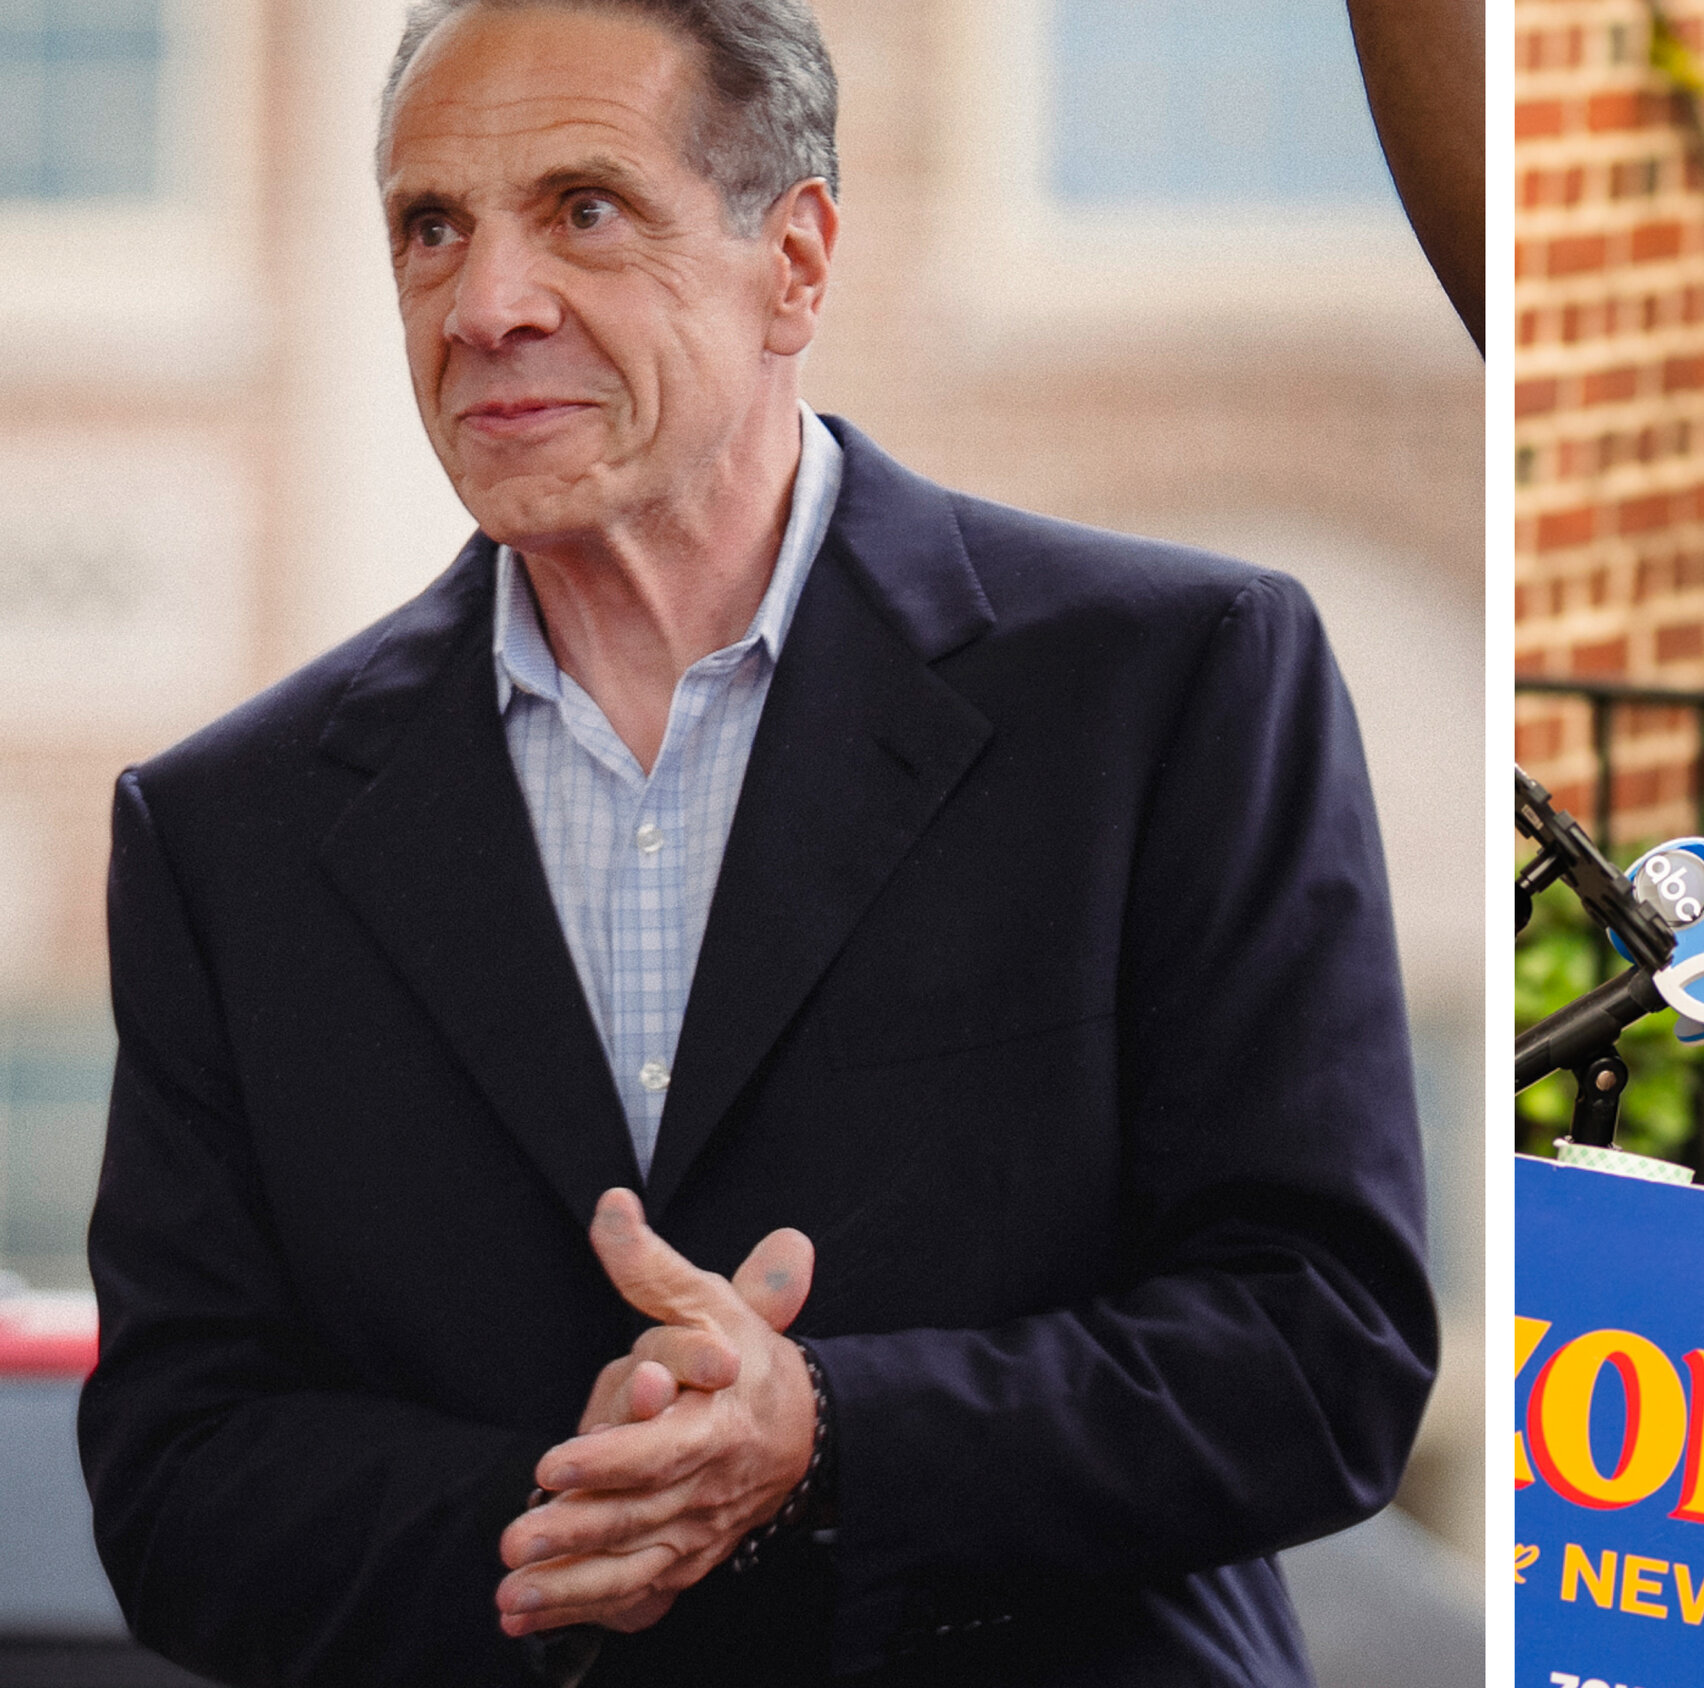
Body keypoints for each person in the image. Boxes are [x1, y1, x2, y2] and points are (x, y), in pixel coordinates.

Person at [76, 2, 1436, 1683]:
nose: (487, 306)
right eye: (433, 228)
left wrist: (833, 1433)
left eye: (583, 209)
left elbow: (1324, 1346)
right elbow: (176, 1478)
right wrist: (570, 1516)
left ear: (794, 261)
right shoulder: (229, 831)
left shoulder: (1167, 684)